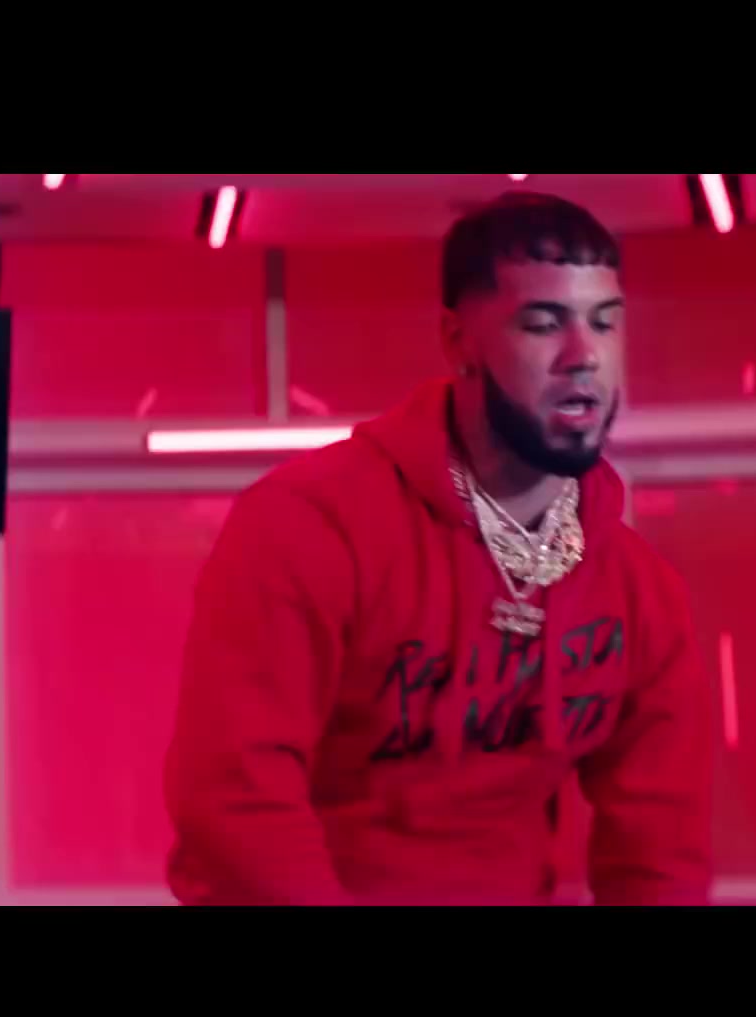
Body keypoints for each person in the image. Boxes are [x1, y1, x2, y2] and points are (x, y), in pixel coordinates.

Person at [164, 192, 712, 906]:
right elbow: (235, 798)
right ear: (459, 342)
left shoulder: (637, 588)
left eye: (605, 323)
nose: (584, 357)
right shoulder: (312, 524)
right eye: (543, 324)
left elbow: (661, 845)